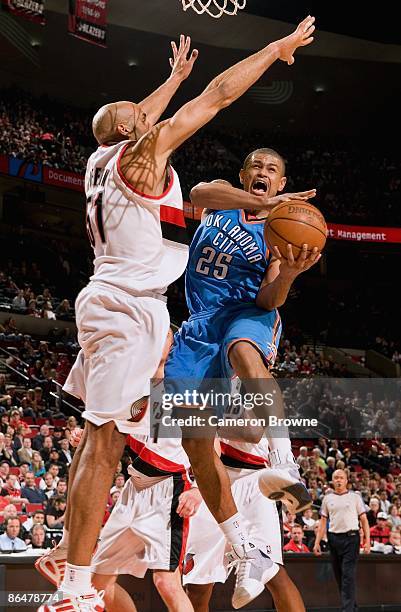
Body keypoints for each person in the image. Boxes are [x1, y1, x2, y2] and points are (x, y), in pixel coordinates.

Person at [39, 18, 316, 612]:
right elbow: (216, 98)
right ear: (131, 129)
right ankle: (75, 585)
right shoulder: (142, 158)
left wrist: (169, 78)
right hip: (133, 311)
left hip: (128, 305)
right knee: (105, 439)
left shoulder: (103, 159)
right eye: (139, 111)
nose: (149, 111)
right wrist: (273, 49)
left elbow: (128, 118)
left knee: (150, 430)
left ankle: (250, 523)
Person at [165, 155, 318, 602]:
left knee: (245, 352)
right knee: (194, 441)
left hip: (249, 314)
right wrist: (268, 202)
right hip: (199, 324)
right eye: (256, 165)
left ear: (282, 181)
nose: (263, 171)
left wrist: (287, 273)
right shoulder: (220, 200)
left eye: (272, 168)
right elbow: (196, 193)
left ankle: (284, 458)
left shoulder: (278, 230)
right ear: (244, 174)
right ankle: (244, 547)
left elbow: (270, 298)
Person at [184, 437, 306, 611]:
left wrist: (211, 421)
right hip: (209, 480)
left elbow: (252, 434)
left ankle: (287, 467)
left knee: (274, 575)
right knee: (197, 586)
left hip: (253, 478)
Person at [314, 470, 371, 612]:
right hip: (334, 538)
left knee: (348, 574)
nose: (338, 480)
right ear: (332, 480)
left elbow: (364, 520)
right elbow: (322, 522)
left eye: (341, 478)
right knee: (339, 575)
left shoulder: (355, 497)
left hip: (351, 538)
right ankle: (353, 606)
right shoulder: (327, 498)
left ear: (346, 481)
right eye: (336, 478)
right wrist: (317, 542)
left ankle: (347, 609)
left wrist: (368, 541)